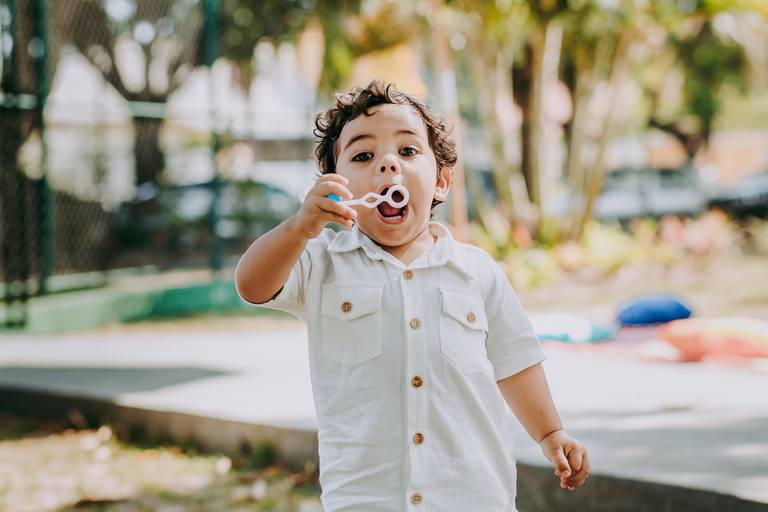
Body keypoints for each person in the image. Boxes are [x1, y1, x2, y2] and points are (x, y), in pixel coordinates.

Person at [235, 80, 589, 511]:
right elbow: (252, 285)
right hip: (366, 501)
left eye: (407, 152)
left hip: (473, 498)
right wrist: (299, 228)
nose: (387, 165)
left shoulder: (476, 271)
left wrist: (551, 434)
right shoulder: (321, 263)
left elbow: (516, 361)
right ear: (337, 186)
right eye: (363, 156)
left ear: (441, 181)